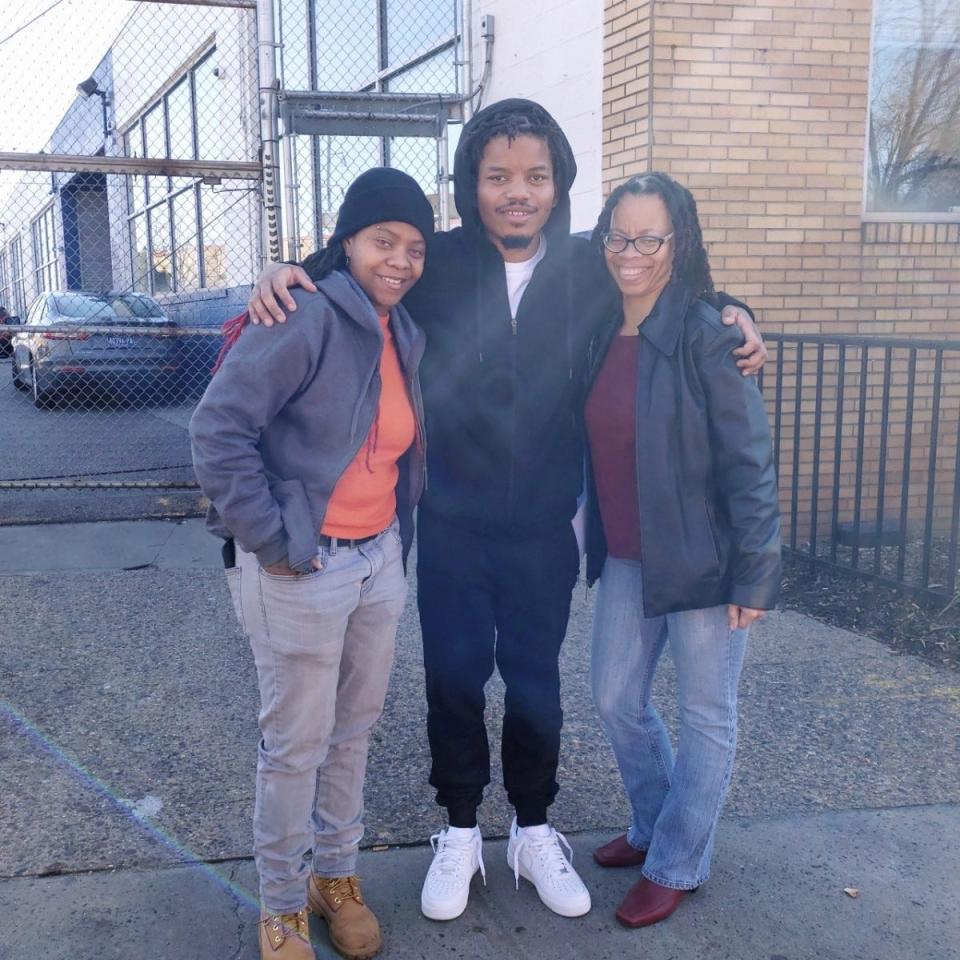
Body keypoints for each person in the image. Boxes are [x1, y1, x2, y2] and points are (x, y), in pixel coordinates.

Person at [245, 99, 767, 923]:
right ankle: (458, 831)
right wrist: (283, 272)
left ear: (558, 186)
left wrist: (736, 309)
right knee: (452, 681)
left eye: (535, 176)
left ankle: (532, 828)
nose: (516, 192)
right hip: (451, 520)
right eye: (497, 177)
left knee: (535, 686)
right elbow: (352, 264)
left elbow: (667, 277)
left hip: (544, 530)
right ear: (472, 185)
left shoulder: (591, 268)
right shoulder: (435, 262)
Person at [190, 168, 435, 960]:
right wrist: (270, 540)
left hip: (378, 562)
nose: (399, 260)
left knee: (354, 731)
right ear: (347, 241)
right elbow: (217, 430)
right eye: (382, 241)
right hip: (303, 566)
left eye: (414, 247)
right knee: (295, 743)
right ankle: (282, 903)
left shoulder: (402, 328)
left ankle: (336, 877)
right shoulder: (301, 314)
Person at [583, 172, 781, 928]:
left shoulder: (708, 332)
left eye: (650, 237)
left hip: (705, 562)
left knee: (706, 715)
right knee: (614, 698)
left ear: (679, 243)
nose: (632, 251)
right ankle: (654, 821)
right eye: (620, 235)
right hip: (630, 557)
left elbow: (748, 461)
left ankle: (677, 858)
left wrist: (756, 574)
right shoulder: (602, 322)